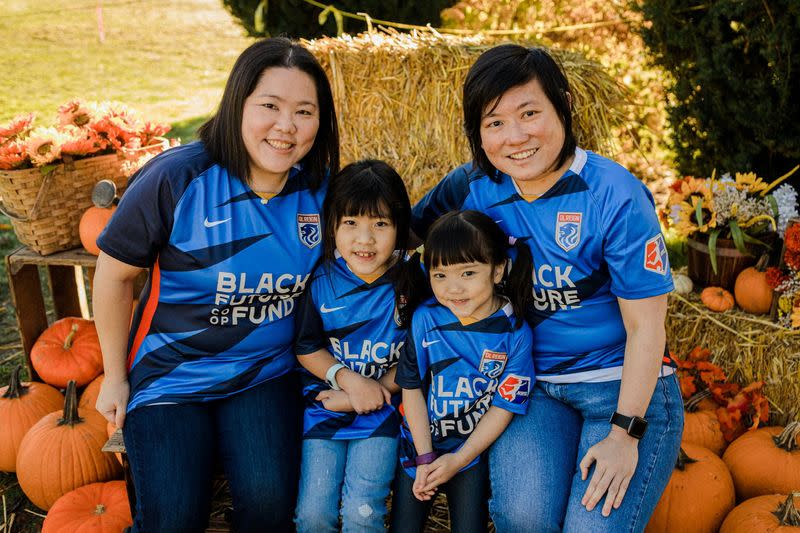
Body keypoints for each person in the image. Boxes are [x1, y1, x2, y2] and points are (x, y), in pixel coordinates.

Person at [410, 45, 683, 532]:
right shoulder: (472, 185)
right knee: (523, 519)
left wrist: (626, 433)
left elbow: (647, 326)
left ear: (562, 104)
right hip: (533, 387)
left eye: (529, 113)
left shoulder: (614, 195)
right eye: (494, 122)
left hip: (619, 390)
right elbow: (399, 237)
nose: (514, 137)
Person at [92, 37, 339, 532]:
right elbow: (114, 276)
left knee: (270, 507)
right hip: (170, 377)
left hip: (263, 374)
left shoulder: (322, 189)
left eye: (304, 111)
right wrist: (115, 375)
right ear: (237, 104)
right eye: (270, 106)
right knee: (174, 518)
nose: (286, 127)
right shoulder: (178, 178)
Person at [392, 210, 536, 533]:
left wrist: (458, 460)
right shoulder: (425, 320)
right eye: (440, 275)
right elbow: (411, 388)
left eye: (467, 273)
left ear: (497, 270)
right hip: (419, 445)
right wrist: (426, 457)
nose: (453, 289)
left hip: (469, 454)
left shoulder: (515, 333)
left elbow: (503, 407)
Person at [292, 160, 411, 532]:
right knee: (313, 515)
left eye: (380, 224)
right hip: (324, 408)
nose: (365, 239)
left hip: (384, 411)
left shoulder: (413, 280)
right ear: (331, 226)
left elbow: (420, 352)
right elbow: (307, 347)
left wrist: (375, 391)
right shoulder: (321, 278)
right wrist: (348, 383)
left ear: (400, 228)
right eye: (351, 223)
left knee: (363, 510)